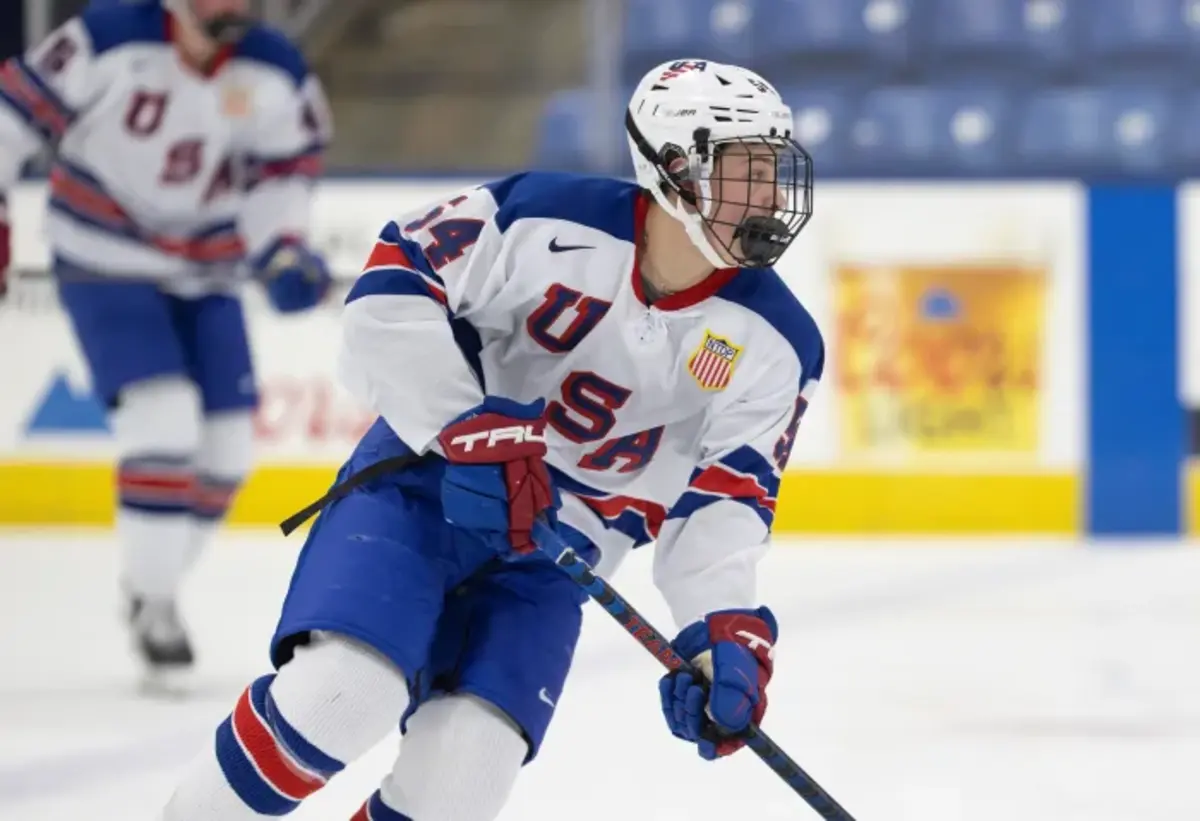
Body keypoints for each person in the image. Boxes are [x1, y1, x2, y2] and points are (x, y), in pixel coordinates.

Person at [161, 58, 823, 821]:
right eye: (749, 169)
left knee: (460, 783)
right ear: (675, 170)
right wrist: (458, 421)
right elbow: (389, 288)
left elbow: (725, 502)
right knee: (344, 694)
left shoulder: (779, 343)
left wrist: (719, 636)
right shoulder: (542, 217)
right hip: (424, 494)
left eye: (776, 169)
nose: (772, 195)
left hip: (554, 559)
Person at [0, 0, 333, 677]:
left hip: (207, 272)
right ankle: (156, 605)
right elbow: (11, 117)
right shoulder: (106, 38)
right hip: (104, 260)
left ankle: (149, 587)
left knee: (231, 451)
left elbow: (283, 174)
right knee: (164, 425)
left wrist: (282, 249)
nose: (231, 5)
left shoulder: (276, 70)